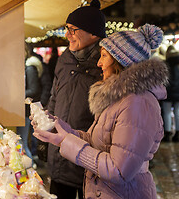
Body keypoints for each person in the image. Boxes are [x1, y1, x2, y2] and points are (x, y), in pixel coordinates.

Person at [33, 24, 168, 199]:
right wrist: (59, 129)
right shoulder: (119, 98)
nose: (99, 63)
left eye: (104, 56)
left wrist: (67, 142)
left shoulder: (137, 103)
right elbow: (96, 141)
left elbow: (119, 171)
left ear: (121, 61)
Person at [45, 0, 105, 199]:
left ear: (93, 33)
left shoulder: (106, 65)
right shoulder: (65, 60)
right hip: (60, 156)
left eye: (72, 29)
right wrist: (45, 125)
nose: (66, 34)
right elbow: (55, 98)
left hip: (90, 159)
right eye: (66, 28)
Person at [17, 45, 42, 160]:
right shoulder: (25, 68)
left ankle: (30, 172)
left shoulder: (30, 68)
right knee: (21, 143)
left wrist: (17, 93)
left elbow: (34, 89)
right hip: (21, 110)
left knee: (22, 143)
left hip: (26, 111)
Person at [162, 45, 179, 142]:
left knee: (167, 112)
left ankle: (167, 134)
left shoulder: (165, 63)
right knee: (178, 112)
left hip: (168, 91)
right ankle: (177, 134)